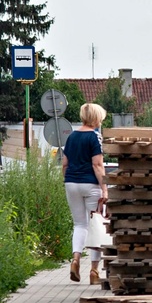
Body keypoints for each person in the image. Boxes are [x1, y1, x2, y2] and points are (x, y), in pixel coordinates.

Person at [62, 103, 108, 284]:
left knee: (79, 225)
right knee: (95, 225)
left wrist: (68, 181)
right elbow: (97, 164)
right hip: (90, 184)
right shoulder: (95, 137)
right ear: (96, 118)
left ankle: (75, 259)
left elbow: (64, 163)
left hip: (71, 183)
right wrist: (104, 188)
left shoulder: (71, 137)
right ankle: (94, 271)